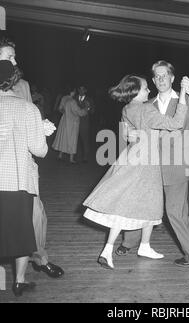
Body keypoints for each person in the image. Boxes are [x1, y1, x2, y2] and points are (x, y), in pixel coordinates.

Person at [115, 60, 189, 268]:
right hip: (148, 164)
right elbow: (128, 129)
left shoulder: (185, 101)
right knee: (138, 203)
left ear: (172, 78)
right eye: (157, 76)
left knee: (175, 212)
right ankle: (130, 241)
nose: (161, 79)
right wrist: (128, 134)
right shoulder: (146, 104)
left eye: (165, 75)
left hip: (177, 165)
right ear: (152, 80)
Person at [83, 74, 188, 269]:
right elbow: (176, 123)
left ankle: (144, 246)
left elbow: (125, 134)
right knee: (131, 205)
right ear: (135, 91)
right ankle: (108, 250)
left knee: (148, 203)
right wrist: (182, 94)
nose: (149, 90)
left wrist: (136, 135)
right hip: (146, 163)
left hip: (133, 156)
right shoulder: (146, 109)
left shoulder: (127, 108)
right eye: (146, 87)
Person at [0, 37, 64, 279]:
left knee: (36, 217)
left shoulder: (23, 85)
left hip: (23, 165)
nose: (15, 61)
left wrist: (40, 125)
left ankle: (39, 258)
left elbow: (27, 120)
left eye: (14, 56)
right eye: (9, 56)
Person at [0, 60, 48, 296]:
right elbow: (40, 150)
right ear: (14, 81)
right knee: (21, 232)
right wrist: (44, 132)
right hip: (17, 181)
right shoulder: (28, 108)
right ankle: (19, 281)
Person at [52, 86, 88, 163]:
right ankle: (71, 159)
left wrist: (66, 113)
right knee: (72, 139)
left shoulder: (64, 98)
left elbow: (60, 109)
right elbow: (80, 112)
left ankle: (60, 155)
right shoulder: (72, 101)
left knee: (63, 137)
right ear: (73, 92)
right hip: (72, 122)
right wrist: (86, 109)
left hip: (64, 121)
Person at [77, 85, 95, 162]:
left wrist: (89, 107)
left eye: (83, 89)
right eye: (80, 89)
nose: (81, 91)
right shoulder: (74, 99)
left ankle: (85, 157)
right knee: (74, 139)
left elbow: (93, 111)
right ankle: (74, 155)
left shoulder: (89, 99)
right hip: (74, 122)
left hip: (84, 123)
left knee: (85, 140)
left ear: (85, 90)